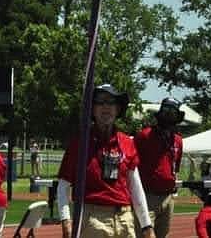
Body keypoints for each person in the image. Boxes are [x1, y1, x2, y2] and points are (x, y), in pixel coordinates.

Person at [55, 83, 156, 238]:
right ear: (92, 109)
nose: (106, 107)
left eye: (111, 102)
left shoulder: (127, 143)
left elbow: (135, 186)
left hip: (124, 219)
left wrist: (146, 225)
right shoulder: (80, 144)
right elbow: (63, 186)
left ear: (117, 109)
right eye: (100, 102)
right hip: (92, 220)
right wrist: (66, 220)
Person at [134, 99, 185, 238]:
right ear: (160, 113)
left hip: (168, 197)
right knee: (144, 234)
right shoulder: (144, 136)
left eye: (172, 112)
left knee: (163, 235)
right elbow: (131, 167)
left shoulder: (178, 141)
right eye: (166, 110)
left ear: (177, 116)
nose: (168, 115)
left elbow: (176, 167)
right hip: (147, 196)